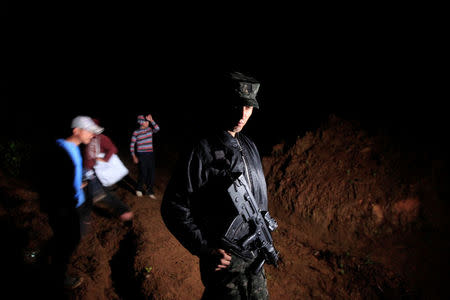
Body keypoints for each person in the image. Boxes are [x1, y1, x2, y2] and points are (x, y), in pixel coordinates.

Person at [161, 71, 274, 299]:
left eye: (249, 108)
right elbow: (173, 206)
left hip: (254, 256)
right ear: (223, 104)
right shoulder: (202, 150)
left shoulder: (249, 146)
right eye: (237, 105)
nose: (242, 115)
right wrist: (204, 248)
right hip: (225, 261)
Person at [42, 115, 103, 292]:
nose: (92, 135)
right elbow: (54, 182)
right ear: (76, 130)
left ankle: (53, 262)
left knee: (70, 239)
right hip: (64, 207)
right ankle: (58, 278)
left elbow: (68, 175)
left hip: (74, 204)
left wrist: (79, 183)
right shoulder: (61, 149)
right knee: (67, 242)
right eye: (90, 131)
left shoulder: (74, 148)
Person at [83, 119, 133, 222]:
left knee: (99, 195)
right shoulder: (88, 139)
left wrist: (104, 159)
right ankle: (85, 216)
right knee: (92, 194)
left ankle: (125, 212)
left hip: (94, 173)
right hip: (89, 172)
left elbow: (113, 149)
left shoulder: (101, 138)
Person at [130, 113, 160, 199]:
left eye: (148, 122)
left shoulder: (150, 129)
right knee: (143, 172)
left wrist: (152, 120)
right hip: (141, 155)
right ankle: (139, 189)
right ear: (141, 122)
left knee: (152, 173)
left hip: (150, 154)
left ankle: (150, 191)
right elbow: (132, 145)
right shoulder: (136, 132)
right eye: (146, 122)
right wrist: (133, 156)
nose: (148, 123)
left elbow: (157, 129)